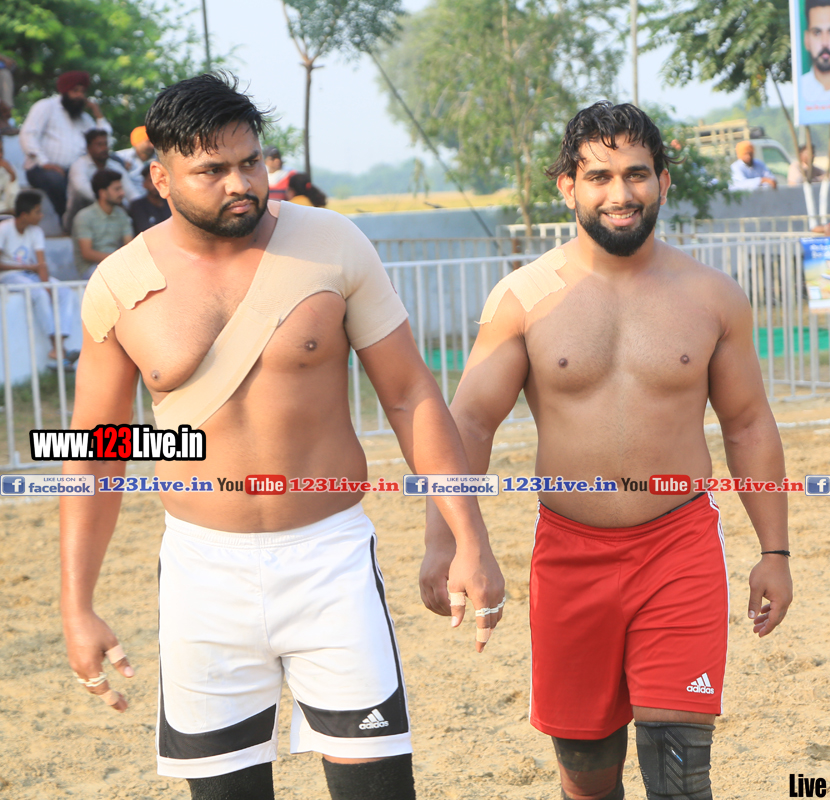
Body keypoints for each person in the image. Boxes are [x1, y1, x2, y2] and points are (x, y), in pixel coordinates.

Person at [60, 73, 504, 800]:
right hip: (202, 573)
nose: (241, 184)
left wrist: (468, 537)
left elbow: (409, 394)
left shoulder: (331, 243)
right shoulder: (119, 283)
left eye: (251, 162)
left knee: (378, 790)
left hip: (330, 558)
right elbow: (94, 452)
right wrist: (76, 605)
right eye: (212, 170)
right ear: (161, 179)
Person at [422, 102, 793, 800]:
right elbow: (469, 423)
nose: (620, 194)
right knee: (587, 776)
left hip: (679, 548)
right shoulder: (523, 298)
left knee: (680, 773)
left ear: (663, 182)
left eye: (636, 174)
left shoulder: (712, 297)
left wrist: (775, 552)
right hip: (570, 555)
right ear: (567, 186)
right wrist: (445, 542)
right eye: (599, 176)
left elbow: (747, 424)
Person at [19, 70, 112, 219]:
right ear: (64, 90)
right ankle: (67, 220)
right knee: (55, 180)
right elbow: (28, 136)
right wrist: (45, 163)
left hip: (72, 170)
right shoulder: (46, 106)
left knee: (111, 168)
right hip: (41, 168)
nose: (79, 95)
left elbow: (102, 142)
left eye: (82, 91)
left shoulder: (84, 118)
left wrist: (98, 114)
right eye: (75, 91)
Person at [0, 189, 76, 363]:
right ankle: (57, 348)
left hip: (30, 273)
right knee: (39, 294)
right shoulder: (4, 229)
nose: (41, 216)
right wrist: (28, 269)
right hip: (8, 275)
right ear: (24, 214)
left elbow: (41, 264)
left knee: (64, 291)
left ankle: (59, 345)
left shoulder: (36, 232)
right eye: (37, 212)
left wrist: (46, 285)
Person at [65, 128, 135, 232]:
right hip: (80, 217)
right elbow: (83, 190)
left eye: (105, 144)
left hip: (112, 214)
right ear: (88, 148)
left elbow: (132, 193)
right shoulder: (78, 166)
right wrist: (114, 200)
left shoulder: (115, 166)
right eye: (99, 144)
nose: (104, 148)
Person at [70, 168, 131, 279]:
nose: (122, 193)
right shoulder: (84, 216)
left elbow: (129, 245)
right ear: (103, 193)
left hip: (117, 265)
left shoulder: (121, 214)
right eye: (117, 189)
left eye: (121, 188)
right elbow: (87, 253)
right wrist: (119, 260)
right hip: (91, 269)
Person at [127, 162, 172, 235]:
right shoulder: (137, 206)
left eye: (160, 180)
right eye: (151, 181)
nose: (156, 184)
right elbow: (144, 230)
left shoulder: (171, 202)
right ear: (144, 184)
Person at [116, 125, 156, 201]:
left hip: (153, 202)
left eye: (153, 142)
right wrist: (121, 164)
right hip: (127, 202)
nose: (152, 145)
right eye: (148, 141)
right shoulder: (122, 157)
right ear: (137, 142)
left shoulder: (158, 159)